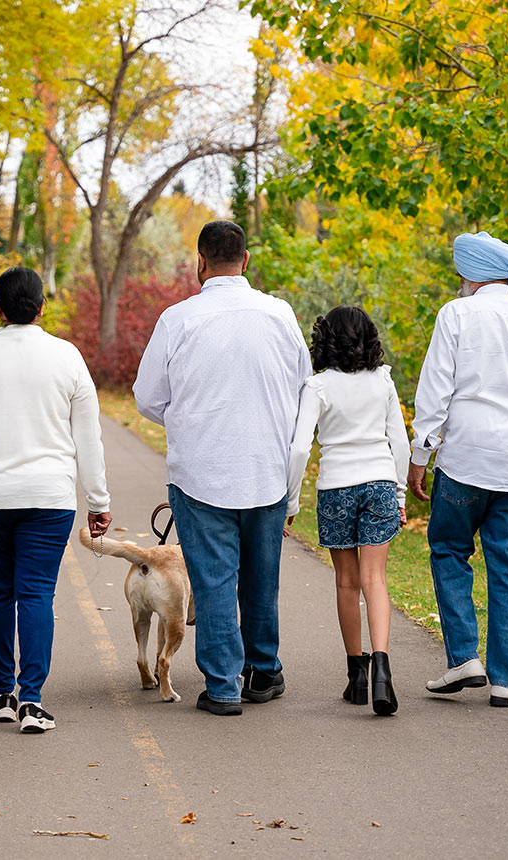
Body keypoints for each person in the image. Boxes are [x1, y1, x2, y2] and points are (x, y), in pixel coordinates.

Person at [133, 220, 311, 716]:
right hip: (267, 469)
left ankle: (223, 686)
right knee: (262, 577)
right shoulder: (280, 315)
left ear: (200, 263)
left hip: (202, 472)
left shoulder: (178, 319)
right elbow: (303, 388)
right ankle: (263, 671)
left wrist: (189, 421)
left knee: (212, 581)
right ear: (247, 260)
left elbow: (147, 397)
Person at [0, 267, 112, 734]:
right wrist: (98, 500)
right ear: (41, 308)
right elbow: (88, 437)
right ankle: (32, 701)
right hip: (48, 496)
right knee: (36, 592)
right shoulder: (67, 356)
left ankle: (2, 694)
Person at [407, 231, 508, 708]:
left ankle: (463, 658)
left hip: (464, 462)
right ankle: (505, 681)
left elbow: (436, 390)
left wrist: (421, 455)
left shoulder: (455, 314)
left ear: (470, 275)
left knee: (448, 550)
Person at [285, 306, 408, 715]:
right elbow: (401, 444)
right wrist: (402, 495)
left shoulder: (318, 387)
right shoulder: (384, 380)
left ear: (325, 341)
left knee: (346, 582)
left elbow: (301, 447)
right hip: (380, 482)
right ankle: (383, 675)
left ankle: (356, 676)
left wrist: (291, 501)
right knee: (375, 579)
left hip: (337, 486)